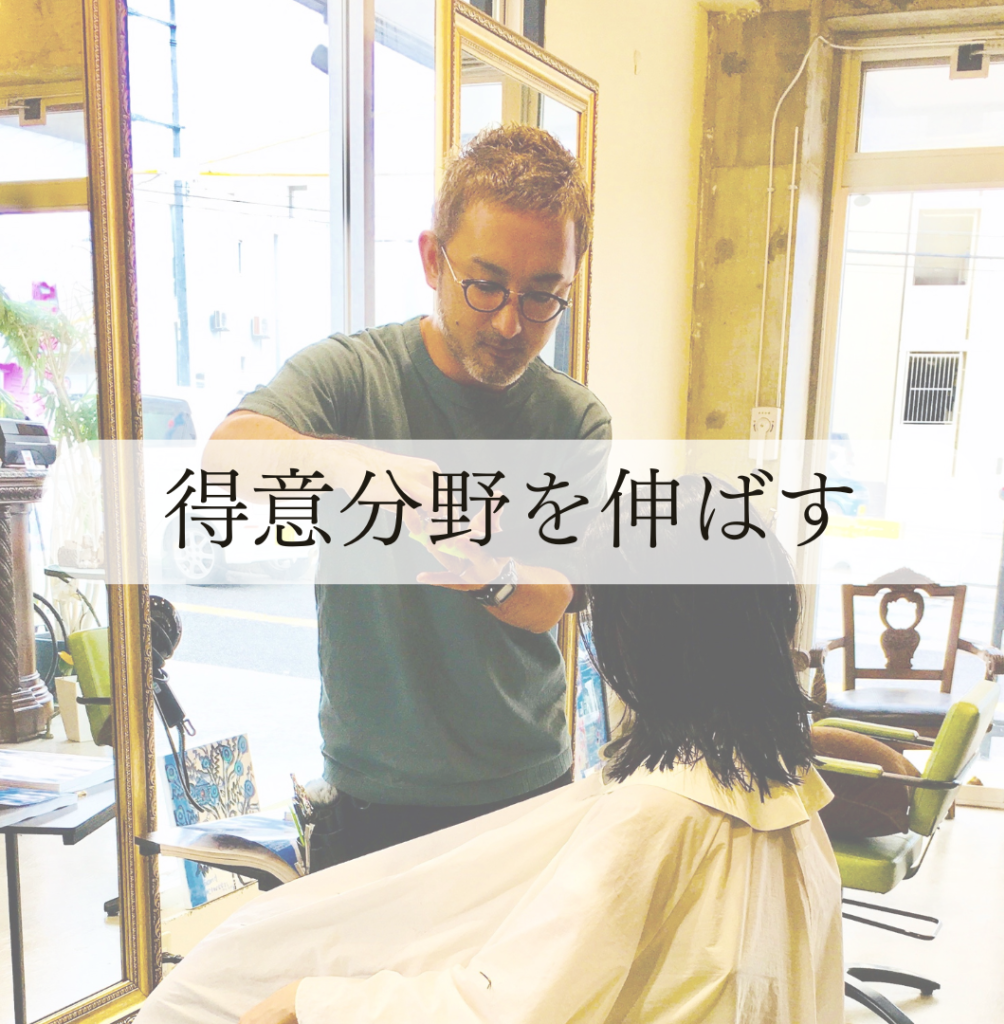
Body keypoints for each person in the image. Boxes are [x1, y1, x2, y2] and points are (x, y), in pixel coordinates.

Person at [135, 484, 844, 1024]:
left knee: (235, 979)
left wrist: (311, 1001)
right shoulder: (781, 786)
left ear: (651, 637)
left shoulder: (663, 810)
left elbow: (505, 1008)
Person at [207, 124, 611, 867]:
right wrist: (370, 471)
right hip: (373, 799)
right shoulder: (352, 376)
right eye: (485, 285)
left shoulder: (573, 420)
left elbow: (556, 595)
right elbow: (226, 461)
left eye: (542, 296)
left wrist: (492, 574)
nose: (510, 322)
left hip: (526, 789)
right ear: (432, 259)